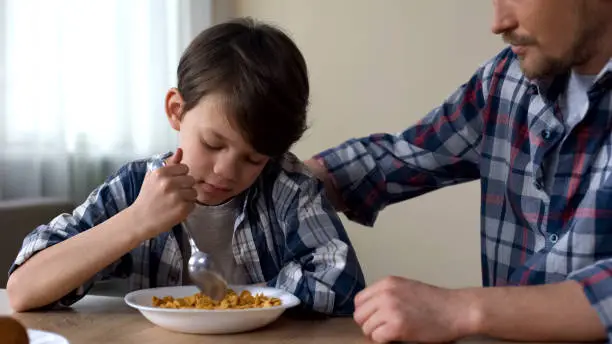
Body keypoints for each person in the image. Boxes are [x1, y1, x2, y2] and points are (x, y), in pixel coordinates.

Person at [7, 17, 365, 316]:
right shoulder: (136, 187)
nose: (226, 170)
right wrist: (135, 222)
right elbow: (23, 289)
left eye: (253, 158)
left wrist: (240, 301)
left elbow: (341, 288)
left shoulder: (290, 190)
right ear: (176, 111)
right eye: (212, 143)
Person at [305, 0, 612, 342]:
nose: (498, 22)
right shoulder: (506, 79)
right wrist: (270, 175)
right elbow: (404, 158)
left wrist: (461, 309)